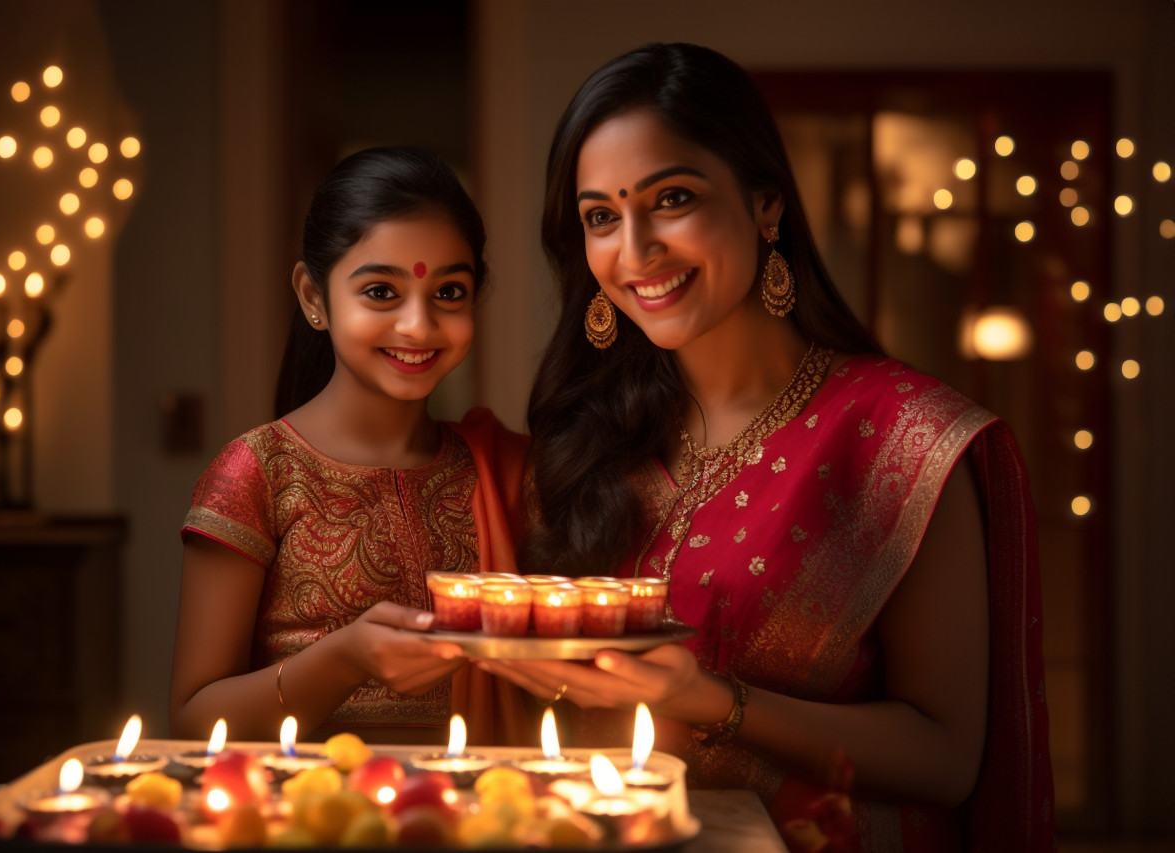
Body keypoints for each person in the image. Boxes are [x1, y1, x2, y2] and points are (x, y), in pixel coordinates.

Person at [478, 43, 1054, 851]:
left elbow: (949, 758)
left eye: (671, 198)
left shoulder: (903, 436)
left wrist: (715, 699)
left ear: (766, 206)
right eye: (601, 216)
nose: (634, 250)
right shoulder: (587, 442)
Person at [171, 147, 529, 748]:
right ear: (314, 297)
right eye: (382, 293)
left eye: (449, 293)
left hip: (477, 816)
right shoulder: (257, 473)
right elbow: (190, 721)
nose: (418, 325)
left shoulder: (505, 472)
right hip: (311, 820)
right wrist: (345, 659)